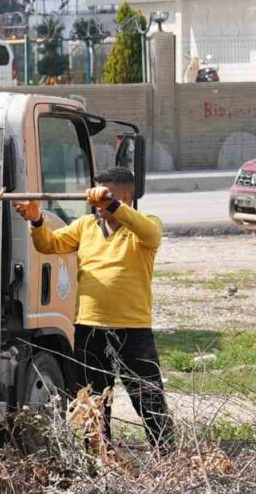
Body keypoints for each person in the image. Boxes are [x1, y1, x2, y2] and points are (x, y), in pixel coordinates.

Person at [14, 166, 173, 451]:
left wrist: (110, 203)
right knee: (94, 401)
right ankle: (99, 458)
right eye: (98, 198)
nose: (98, 206)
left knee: (147, 397)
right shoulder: (86, 226)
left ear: (125, 195)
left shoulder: (144, 225)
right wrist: (36, 219)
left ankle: (167, 455)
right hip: (89, 328)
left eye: (107, 197)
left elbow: (151, 233)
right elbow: (50, 244)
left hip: (132, 329)